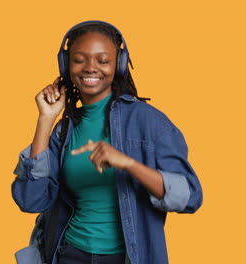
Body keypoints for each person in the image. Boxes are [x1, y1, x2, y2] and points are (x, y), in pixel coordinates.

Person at [11, 20, 203, 264]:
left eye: (102, 60)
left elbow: (190, 197)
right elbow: (31, 200)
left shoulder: (149, 122)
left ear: (119, 65)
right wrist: (45, 120)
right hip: (69, 254)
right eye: (80, 59)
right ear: (66, 65)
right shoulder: (66, 129)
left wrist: (128, 164)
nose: (91, 68)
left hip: (126, 257)